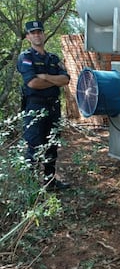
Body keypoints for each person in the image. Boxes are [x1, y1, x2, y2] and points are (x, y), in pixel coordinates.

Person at [17, 20, 71, 191]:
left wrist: (46, 77)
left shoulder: (53, 58)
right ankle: (31, 189)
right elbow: (32, 83)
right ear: (27, 37)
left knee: (52, 146)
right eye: (33, 33)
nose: (37, 35)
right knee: (34, 147)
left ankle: (50, 183)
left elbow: (66, 79)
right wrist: (55, 82)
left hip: (53, 108)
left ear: (43, 34)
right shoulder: (26, 57)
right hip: (35, 107)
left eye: (39, 31)